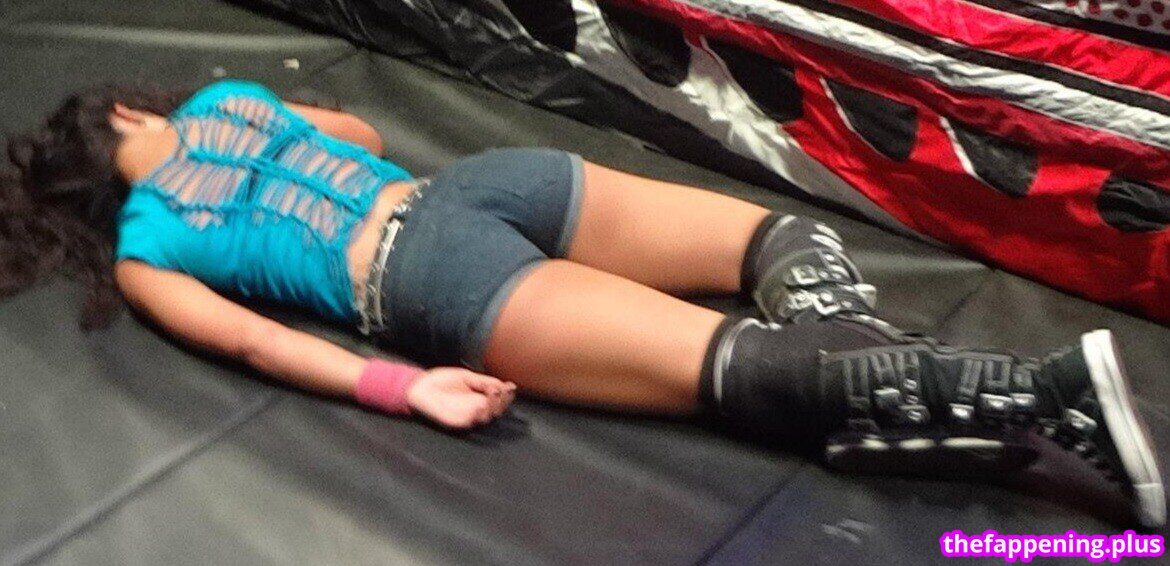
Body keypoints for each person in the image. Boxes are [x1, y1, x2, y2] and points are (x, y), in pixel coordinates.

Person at [2, 78, 1163, 528]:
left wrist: (406, 387)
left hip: (424, 278)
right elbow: (359, 133)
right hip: (478, 187)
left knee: (744, 366)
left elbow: (258, 341)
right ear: (126, 116)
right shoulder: (226, 102)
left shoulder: (146, 253)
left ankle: (1024, 398)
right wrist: (264, 125)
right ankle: (965, 394)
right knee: (779, 241)